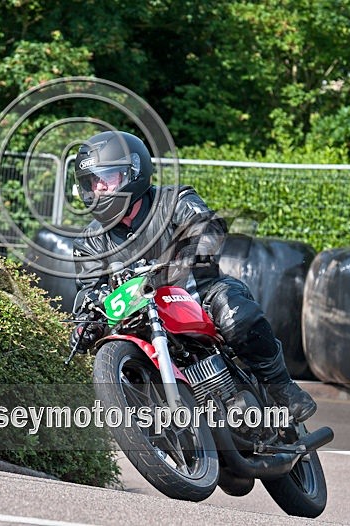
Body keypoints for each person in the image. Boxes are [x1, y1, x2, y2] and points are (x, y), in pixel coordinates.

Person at [69, 130, 317, 422]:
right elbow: (88, 290)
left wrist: (190, 252)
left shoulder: (174, 200)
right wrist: (86, 320)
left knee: (235, 313)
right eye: (92, 183)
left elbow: (206, 227)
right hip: (141, 318)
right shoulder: (89, 242)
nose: (98, 190)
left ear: (133, 173)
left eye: (105, 179)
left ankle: (283, 390)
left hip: (199, 294)